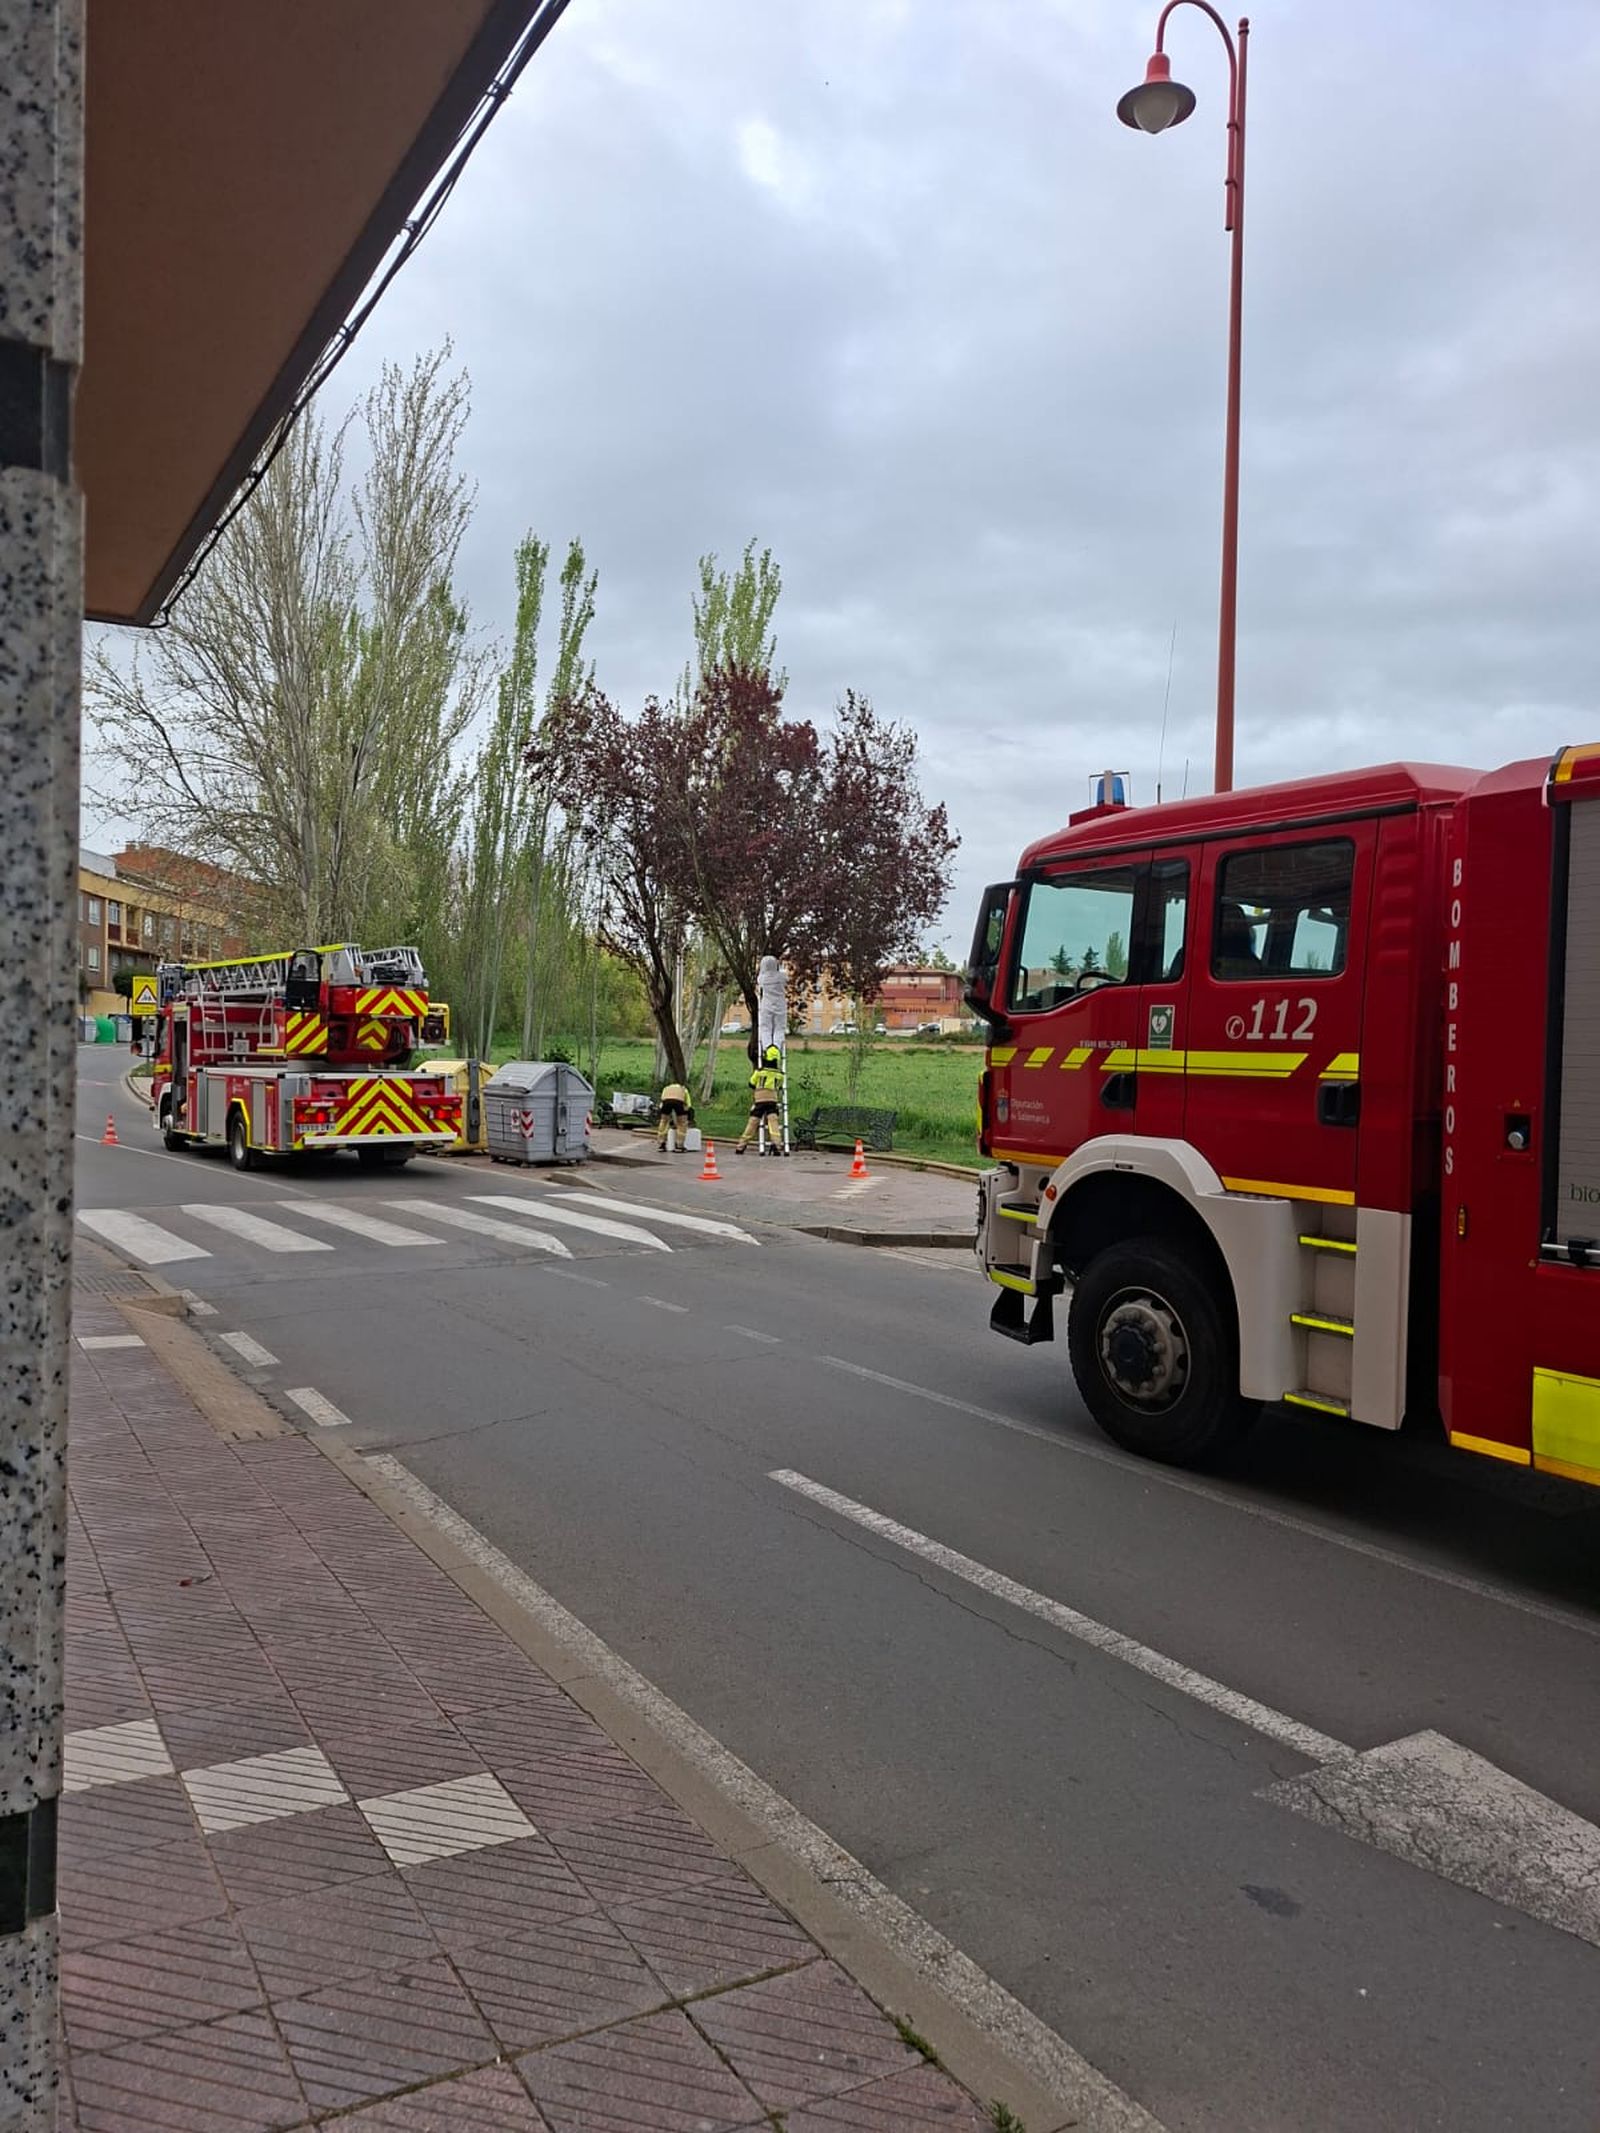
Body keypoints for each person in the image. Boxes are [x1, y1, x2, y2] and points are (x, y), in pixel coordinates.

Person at [736, 1044, 786, 1156]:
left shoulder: (759, 1072)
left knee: (752, 1123)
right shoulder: (780, 1075)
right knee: (773, 1123)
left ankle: (741, 1146)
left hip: (759, 1101)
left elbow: (751, 1083)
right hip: (772, 1101)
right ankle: (777, 1145)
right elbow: (779, 1086)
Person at [657, 1078, 691, 1154]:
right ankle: (679, 1146)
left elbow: (661, 1102)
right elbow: (688, 1105)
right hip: (679, 1102)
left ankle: (661, 1145)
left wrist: (664, 1116)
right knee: (682, 1124)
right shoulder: (683, 1089)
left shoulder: (666, 1088)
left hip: (666, 1102)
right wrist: (686, 1117)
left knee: (664, 1122)